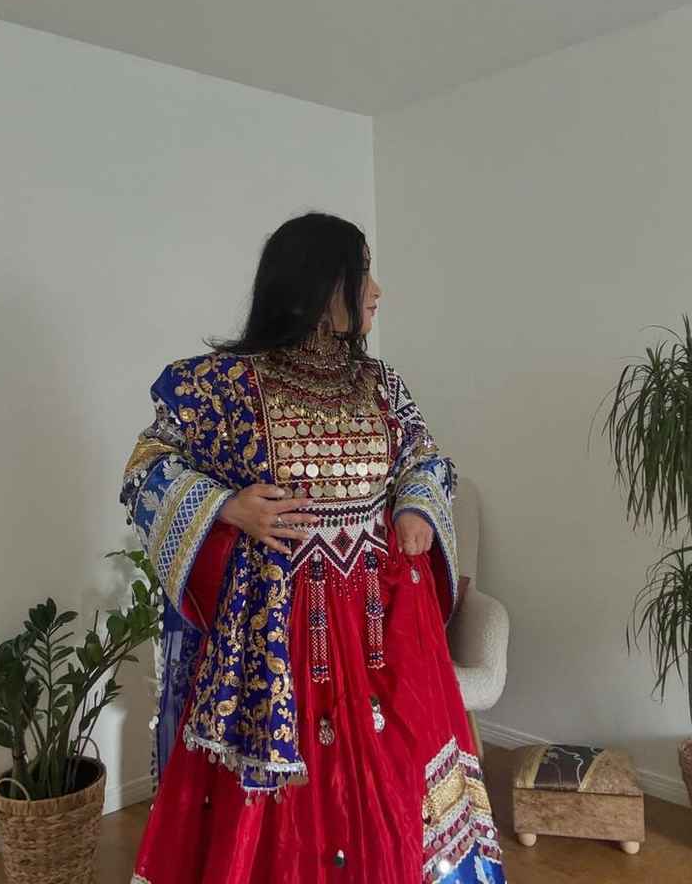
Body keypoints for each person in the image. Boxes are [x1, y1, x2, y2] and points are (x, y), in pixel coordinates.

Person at [119, 212, 507, 883]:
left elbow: (424, 458)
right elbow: (147, 466)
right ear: (319, 286)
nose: (376, 291)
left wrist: (415, 504)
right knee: (277, 811)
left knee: (395, 791)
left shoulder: (381, 385)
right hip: (276, 629)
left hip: (383, 628)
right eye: (362, 274)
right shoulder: (224, 385)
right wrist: (227, 507)